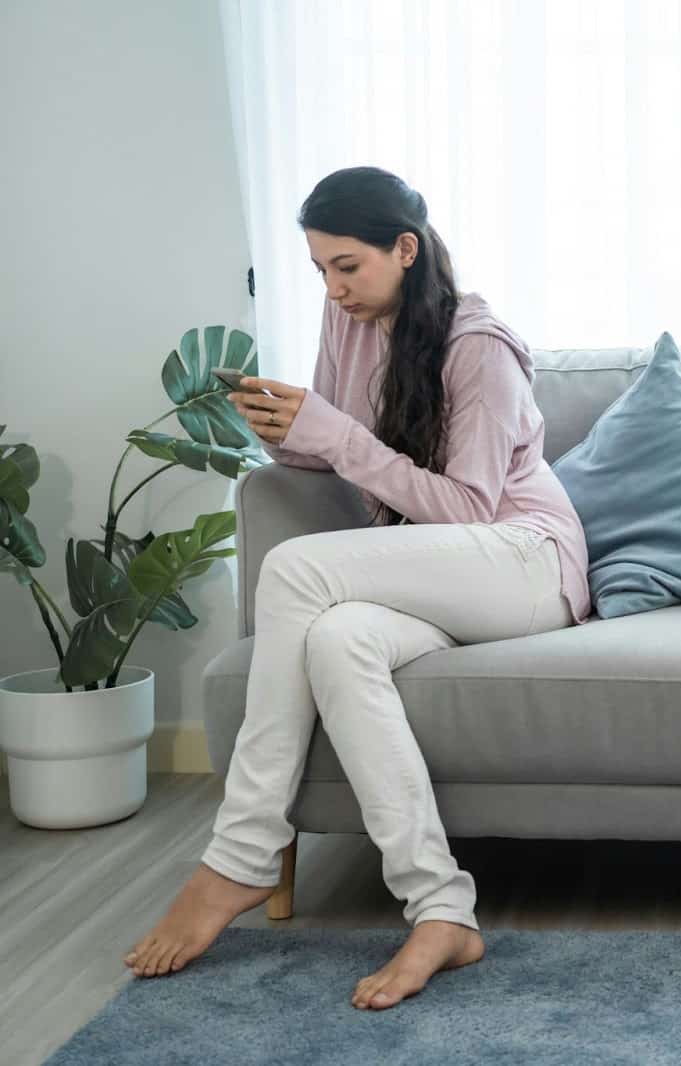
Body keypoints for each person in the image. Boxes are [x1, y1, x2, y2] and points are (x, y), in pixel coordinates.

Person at [124, 166, 591, 1010]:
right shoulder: (350, 321)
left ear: (404, 249)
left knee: (296, 566)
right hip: (436, 570)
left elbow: (468, 508)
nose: (334, 289)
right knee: (338, 641)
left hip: (523, 560)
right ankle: (441, 910)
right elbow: (340, 447)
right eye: (320, 270)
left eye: (347, 266)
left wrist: (333, 433)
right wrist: (286, 429)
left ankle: (241, 854)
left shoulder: (480, 347)